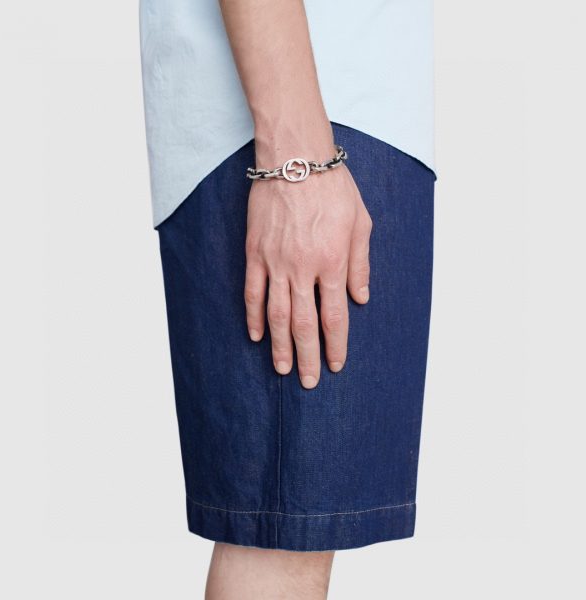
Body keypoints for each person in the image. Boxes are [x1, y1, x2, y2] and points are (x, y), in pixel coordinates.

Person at [139, 1, 436, 598]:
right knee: (280, 547)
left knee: (294, 542)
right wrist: (297, 160)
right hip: (305, 129)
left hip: (339, 119)